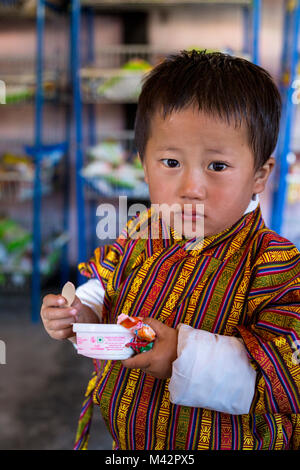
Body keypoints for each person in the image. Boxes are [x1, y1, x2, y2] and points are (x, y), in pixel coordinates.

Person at [40, 50, 300, 450]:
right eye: (170, 161)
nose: (190, 188)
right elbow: (106, 282)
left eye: (217, 166)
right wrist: (82, 313)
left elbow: (286, 377)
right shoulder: (142, 231)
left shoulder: (275, 266)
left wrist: (182, 354)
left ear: (259, 175)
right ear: (144, 165)